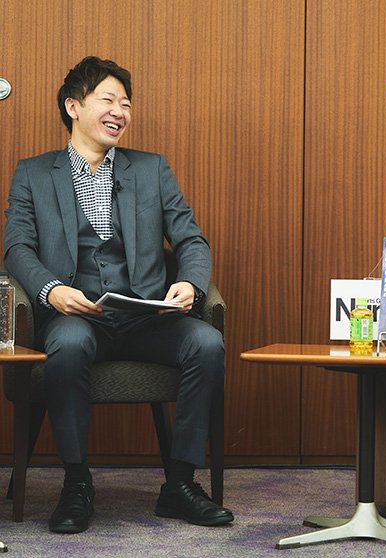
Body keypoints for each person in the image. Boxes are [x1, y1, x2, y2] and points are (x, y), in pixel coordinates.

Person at [3, 56, 234, 533]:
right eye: (108, 99)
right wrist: (51, 290)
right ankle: (76, 483)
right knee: (68, 343)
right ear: (73, 107)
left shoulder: (151, 169)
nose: (120, 111)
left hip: (147, 319)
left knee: (207, 343)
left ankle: (180, 484)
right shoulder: (33, 173)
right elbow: (17, 248)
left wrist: (191, 283)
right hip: (76, 318)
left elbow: (191, 240)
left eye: (126, 103)